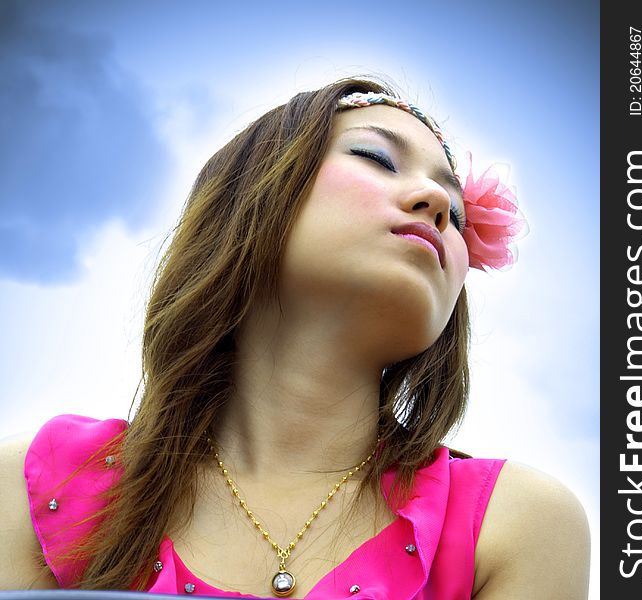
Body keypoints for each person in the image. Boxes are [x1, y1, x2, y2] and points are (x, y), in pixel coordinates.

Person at [0, 76, 590, 599]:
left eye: (459, 217)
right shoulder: (35, 484)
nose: (437, 202)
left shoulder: (518, 525)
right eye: (376, 158)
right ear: (250, 200)